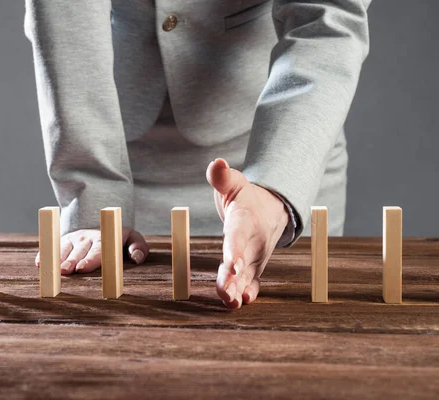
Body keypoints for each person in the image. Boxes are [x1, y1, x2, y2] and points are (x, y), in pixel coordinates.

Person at [24, 0, 371, 309]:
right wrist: (96, 194)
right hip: (115, 160)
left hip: (285, 154)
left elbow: (327, 17)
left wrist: (276, 185)